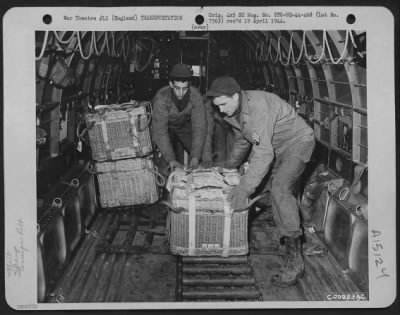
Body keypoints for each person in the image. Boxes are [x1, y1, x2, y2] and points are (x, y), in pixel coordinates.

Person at [206, 76, 315, 287]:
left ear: (236, 96)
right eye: (217, 106)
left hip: (298, 143)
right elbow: (243, 140)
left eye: (223, 104)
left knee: (280, 189)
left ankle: (294, 260)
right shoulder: (235, 112)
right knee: (264, 187)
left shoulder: (258, 108)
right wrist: (229, 166)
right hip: (276, 148)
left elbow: (263, 152)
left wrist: (244, 188)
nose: (220, 110)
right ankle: (283, 224)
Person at [151, 63, 214, 172]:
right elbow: (160, 132)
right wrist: (171, 159)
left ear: (189, 85)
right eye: (177, 88)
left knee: (200, 157)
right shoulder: (161, 98)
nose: (181, 93)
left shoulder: (195, 96)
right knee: (163, 163)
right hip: (166, 128)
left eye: (185, 89)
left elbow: (199, 127)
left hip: (184, 126)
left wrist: (195, 156)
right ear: (171, 84)